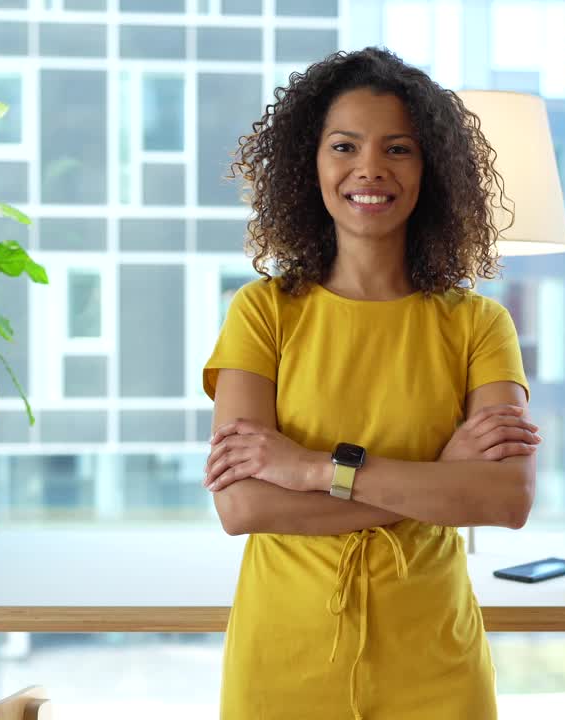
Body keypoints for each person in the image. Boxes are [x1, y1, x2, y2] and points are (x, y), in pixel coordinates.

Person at [202, 47, 541, 720]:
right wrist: (436, 484)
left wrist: (307, 469)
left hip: (434, 664)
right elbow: (243, 508)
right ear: (312, 164)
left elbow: (505, 497)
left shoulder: (479, 324)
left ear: (431, 170)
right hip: (284, 661)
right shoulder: (262, 313)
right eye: (345, 146)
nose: (370, 169)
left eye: (399, 149)